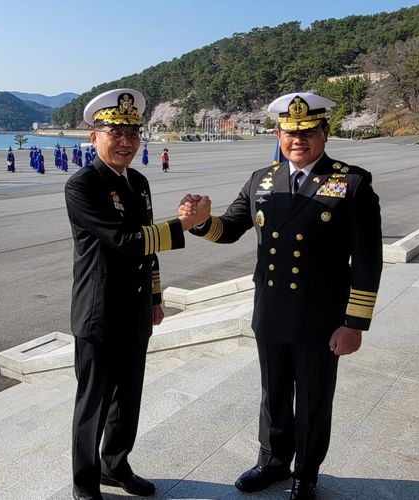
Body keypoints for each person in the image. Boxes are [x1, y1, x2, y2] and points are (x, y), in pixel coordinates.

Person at [182, 92, 382, 500]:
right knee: (273, 392)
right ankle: (272, 462)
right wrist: (202, 224)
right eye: (290, 132)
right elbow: (231, 228)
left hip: (320, 314)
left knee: (312, 398)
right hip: (271, 309)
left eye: (308, 131)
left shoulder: (352, 182)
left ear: (325, 133)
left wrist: (355, 323)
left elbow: (367, 259)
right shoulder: (262, 179)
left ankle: (306, 473)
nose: (299, 140)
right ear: (278, 134)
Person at [64, 88, 210, 500]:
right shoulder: (83, 185)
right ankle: (85, 483)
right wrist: (182, 225)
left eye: (133, 132)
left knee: (128, 397)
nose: (126, 141)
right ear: (94, 137)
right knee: (92, 402)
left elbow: (148, 250)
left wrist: (155, 297)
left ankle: (116, 464)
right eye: (115, 132)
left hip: (134, 310)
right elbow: (126, 240)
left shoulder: (140, 182)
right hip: (98, 311)